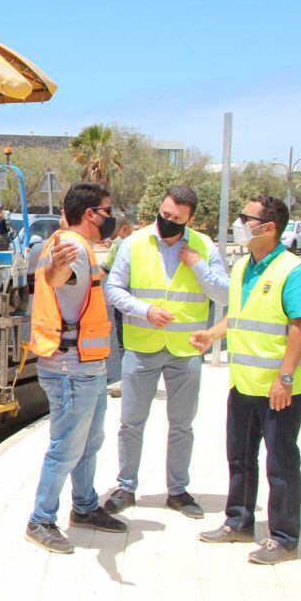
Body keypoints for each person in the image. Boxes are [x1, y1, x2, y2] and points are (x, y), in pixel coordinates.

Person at [190, 195, 301, 565]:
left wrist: (285, 378)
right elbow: (240, 316)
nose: (239, 223)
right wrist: (213, 334)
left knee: (281, 464)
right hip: (243, 383)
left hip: (279, 389)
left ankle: (284, 538)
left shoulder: (295, 271)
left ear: (269, 227)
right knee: (240, 458)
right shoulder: (244, 265)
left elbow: (300, 327)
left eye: (246, 218)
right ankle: (239, 522)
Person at [102, 186, 230, 520]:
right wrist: (145, 310)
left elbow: (225, 294)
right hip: (141, 348)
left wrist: (198, 265)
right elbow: (113, 289)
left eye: (175, 218)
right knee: (131, 423)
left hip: (186, 351)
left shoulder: (203, 246)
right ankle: (125, 487)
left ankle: (178, 491)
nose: (166, 221)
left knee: (182, 425)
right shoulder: (134, 242)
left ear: (190, 219)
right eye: (164, 213)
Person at [25, 181, 127, 554]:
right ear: (91, 214)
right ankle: (41, 519)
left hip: (89, 367)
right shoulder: (69, 247)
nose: (110, 217)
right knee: (66, 447)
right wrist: (52, 268)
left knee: (89, 443)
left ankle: (84, 508)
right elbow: (56, 276)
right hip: (70, 368)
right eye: (107, 210)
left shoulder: (80, 246)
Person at [101, 222, 134, 353]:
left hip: (128, 302)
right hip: (129, 302)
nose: (111, 239)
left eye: (113, 235)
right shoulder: (118, 247)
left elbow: (103, 271)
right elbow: (104, 270)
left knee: (127, 344)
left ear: (124, 229)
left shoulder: (123, 245)